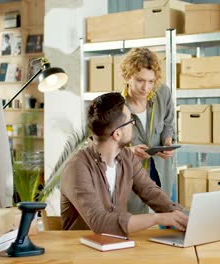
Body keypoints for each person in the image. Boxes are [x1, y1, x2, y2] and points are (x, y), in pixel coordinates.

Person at [60, 92, 188, 236]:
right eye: (130, 121)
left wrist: (185, 217)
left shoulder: (127, 157)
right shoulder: (77, 167)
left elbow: (150, 192)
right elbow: (100, 222)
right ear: (117, 134)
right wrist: (157, 218)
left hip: (117, 246)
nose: (133, 124)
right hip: (81, 252)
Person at [120, 48, 176, 215]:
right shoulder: (116, 106)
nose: (146, 87)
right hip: (132, 181)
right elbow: (102, 146)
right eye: (140, 80)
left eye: (151, 81)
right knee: (138, 228)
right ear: (127, 77)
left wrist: (167, 142)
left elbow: (168, 124)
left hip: (161, 173)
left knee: (167, 223)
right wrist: (129, 151)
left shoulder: (163, 93)